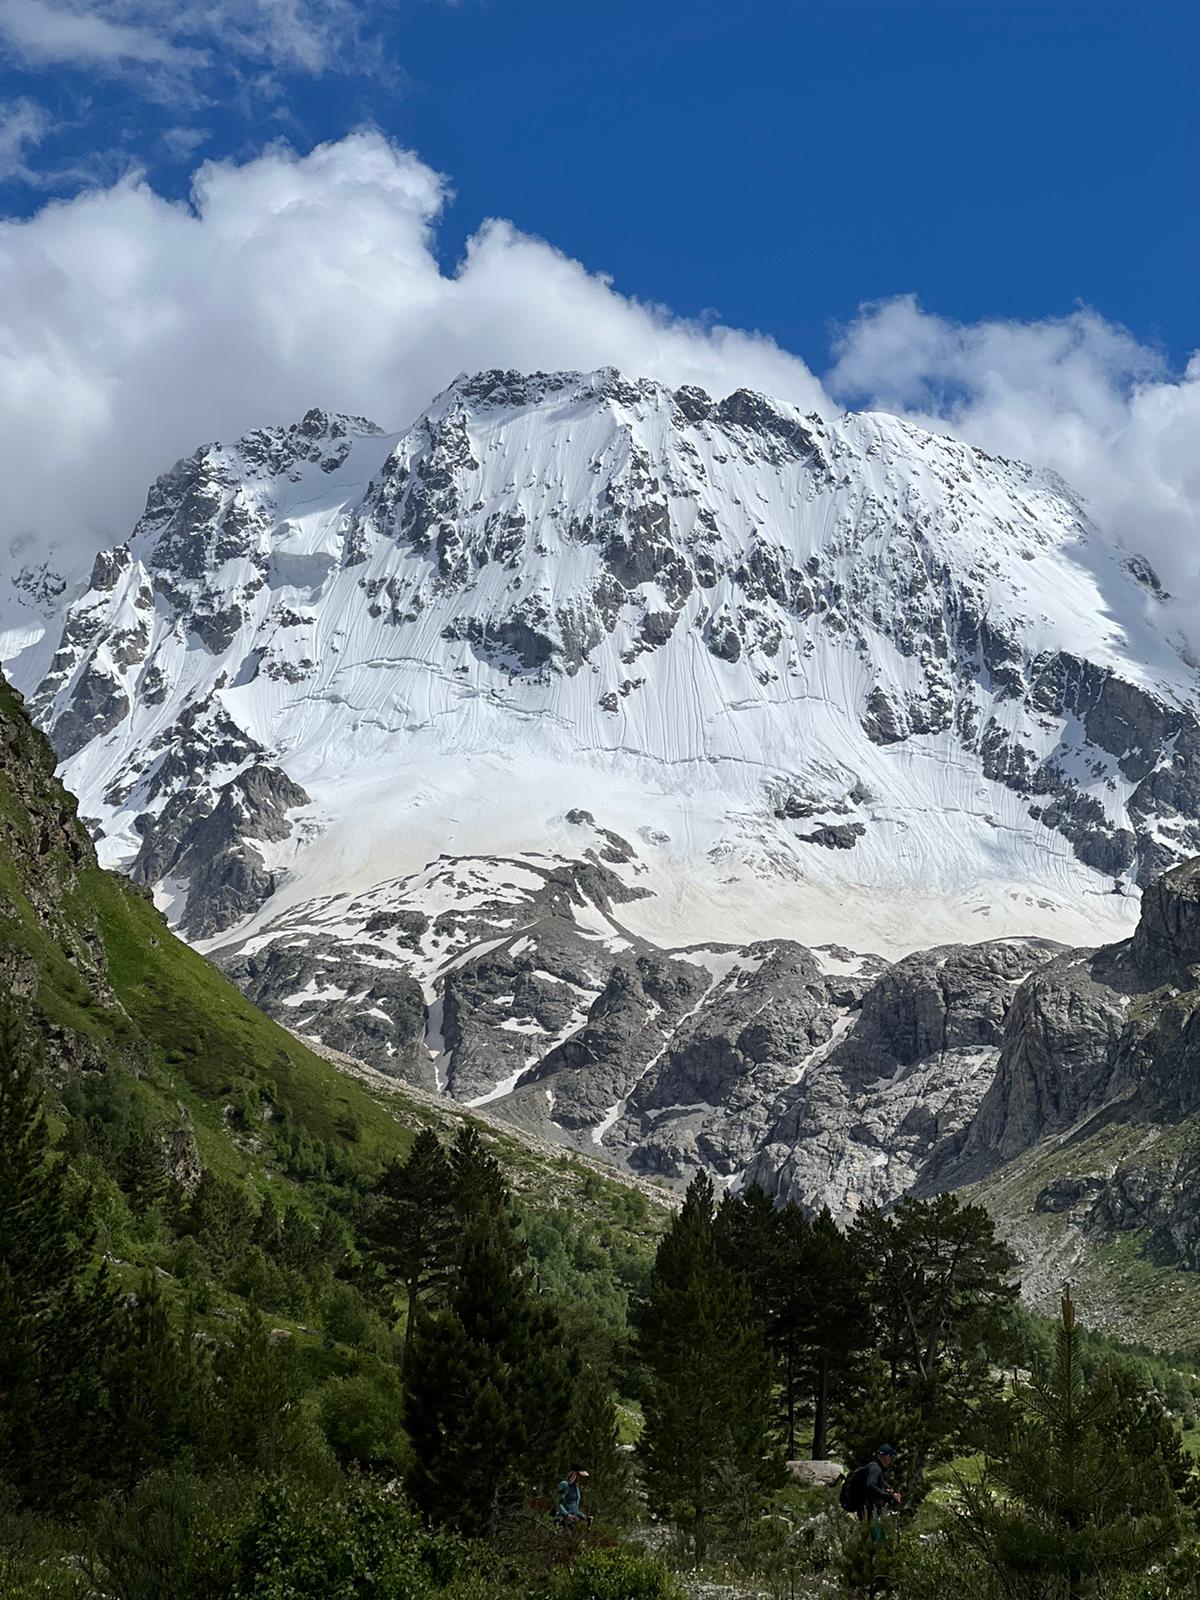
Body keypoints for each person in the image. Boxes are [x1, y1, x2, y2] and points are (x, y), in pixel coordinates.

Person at [839, 1444, 902, 1520]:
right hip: (867, 1511)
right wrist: (889, 1496)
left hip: (865, 1510)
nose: (891, 1462)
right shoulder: (875, 1469)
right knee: (873, 1530)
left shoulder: (872, 1467)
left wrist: (886, 1490)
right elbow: (871, 1486)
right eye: (891, 1459)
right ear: (886, 1457)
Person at [555, 1464, 591, 1529]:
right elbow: (558, 1504)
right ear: (574, 1475)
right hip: (561, 1521)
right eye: (580, 1476)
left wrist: (583, 1517)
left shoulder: (576, 1489)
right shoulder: (565, 1485)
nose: (581, 1479)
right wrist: (567, 1515)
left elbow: (572, 1508)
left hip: (570, 1523)